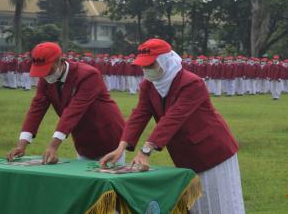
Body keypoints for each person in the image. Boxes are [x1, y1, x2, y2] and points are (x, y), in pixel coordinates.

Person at [100, 38, 245, 214]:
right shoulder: (149, 85)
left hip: (213, 151)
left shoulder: (192, 83)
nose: (146, 71)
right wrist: (121, 146)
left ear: (165, 61)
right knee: (195, 205)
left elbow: (173, 118)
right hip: (185, 153)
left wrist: (146, 150)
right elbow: (139, 114)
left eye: (150, 66)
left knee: (221, 204)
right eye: (143, 66)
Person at [6, 42, 125, 164]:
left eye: (48, 69)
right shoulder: (46, 79)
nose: (45, 74)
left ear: (61, 61)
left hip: (107, 135)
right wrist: (22, 144)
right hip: (82, 139)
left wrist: (53, 146)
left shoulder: (88, 75)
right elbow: (36, 108)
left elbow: (74, 110)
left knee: (107, 177)